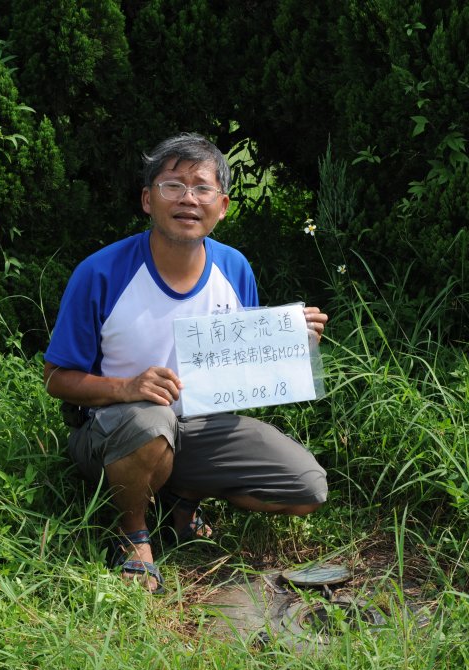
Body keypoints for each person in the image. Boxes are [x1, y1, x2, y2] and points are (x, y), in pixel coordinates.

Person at [43, 133, 329, 593]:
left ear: (223, 205)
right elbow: (56, 378)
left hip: (197, 430)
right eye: (172, 185)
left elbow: (242, 372)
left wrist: (292, 342)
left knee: (306, 487)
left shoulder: (235, 268)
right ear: (146, 200)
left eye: (202, 187)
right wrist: (125, 388)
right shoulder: (101, 272)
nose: (188, 199)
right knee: (151, 419)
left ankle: (182, 498)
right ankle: (133, 533)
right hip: (110, 432)